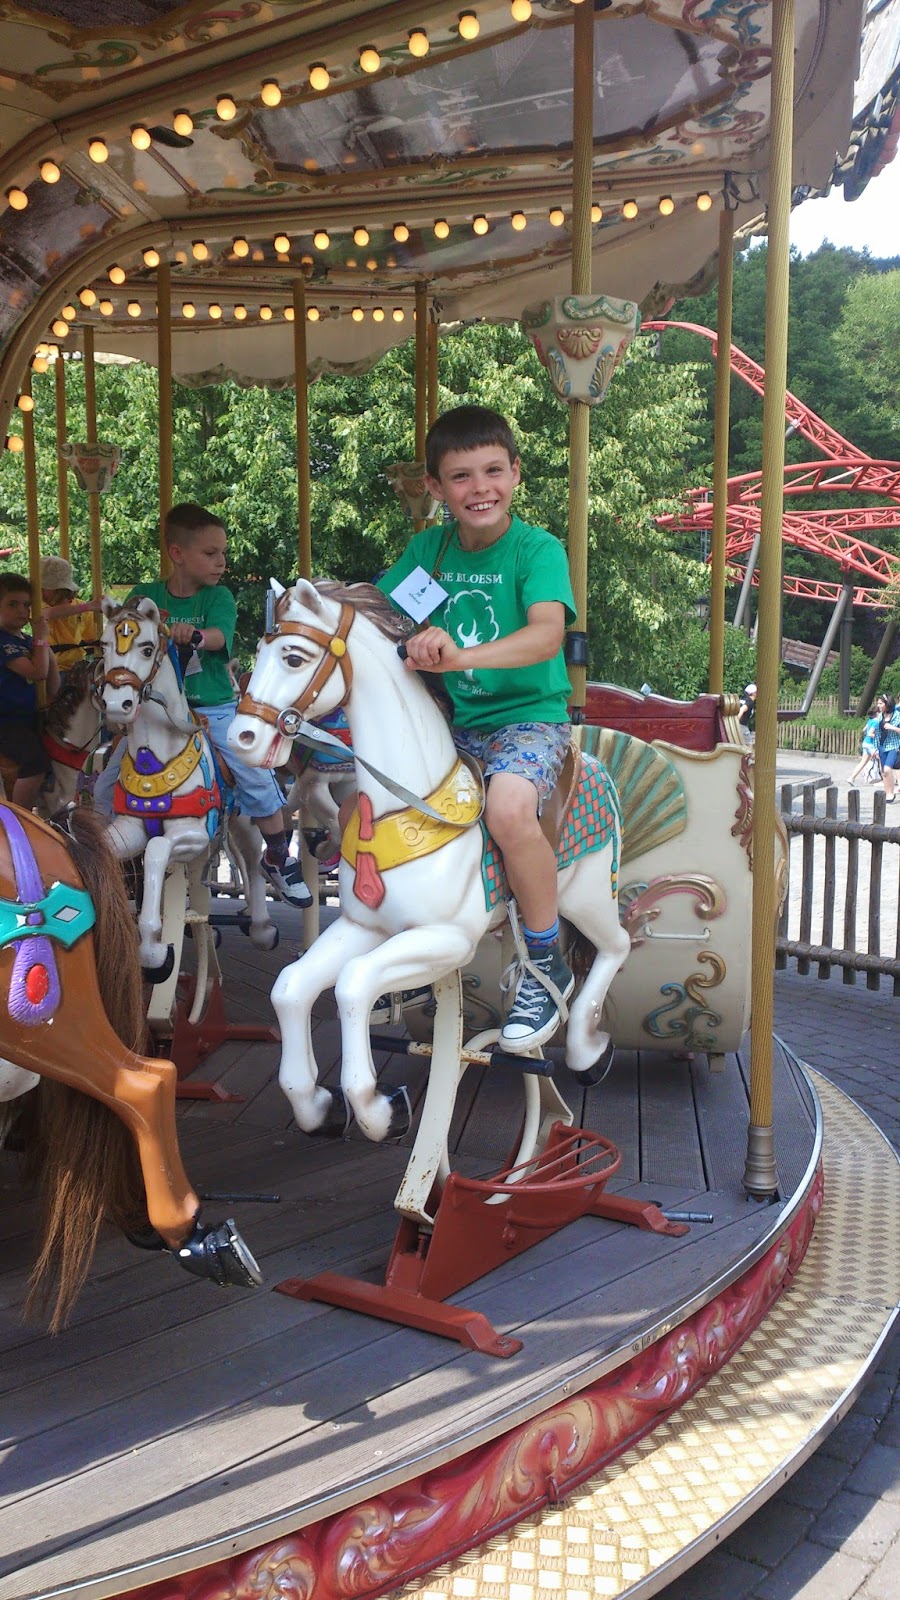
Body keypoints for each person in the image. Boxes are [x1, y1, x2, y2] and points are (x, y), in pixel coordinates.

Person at [377, 403, 576, 1053]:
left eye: (493, 471)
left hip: (528, 718)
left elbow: (546, 635)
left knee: (509, 808)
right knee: (378, 801)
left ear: (516, 473)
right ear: (436, 488)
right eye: (461, 476)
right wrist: (409, 641)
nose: (480, 488)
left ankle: (545, 960)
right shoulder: (429, 551)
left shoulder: (536, 550)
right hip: (456, 722)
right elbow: (384, 616)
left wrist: (461, 656)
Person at [93, 503, 311, 907]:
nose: (221, 562)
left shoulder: (218, 597)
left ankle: (279, 856)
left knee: (253, 771)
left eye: (223, 553)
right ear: (177, 553)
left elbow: (218, 637)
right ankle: (103, 860)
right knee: (107, 782)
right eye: (211, 553)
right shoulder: (148, 596)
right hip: (157, 714)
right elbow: (129, 632)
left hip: (212, 708)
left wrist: (193, 635)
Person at [0, 571, 60, 809]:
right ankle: (20, 817)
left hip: (31, 717)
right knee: (35, 763)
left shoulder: (26, 640)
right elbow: (37, 672)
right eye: (12, 604)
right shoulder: (3, 642)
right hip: (6, 721)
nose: (22, 611)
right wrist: (42, 640)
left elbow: (53, 685)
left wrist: (47, 650)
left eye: (26, 605)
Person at [39, 555, 102, 674]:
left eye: (44, 588)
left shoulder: (81, 608)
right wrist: (88, 607)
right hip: (52, 666)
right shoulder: (38, 605)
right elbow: (48, 613)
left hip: (78, 666)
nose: (40, 592)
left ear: (58, 590)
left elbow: (90, 639)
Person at [875, 692, 900, 803]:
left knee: (887, 769)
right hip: (882, 747)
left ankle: (892, 792)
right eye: (878, 703)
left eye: (881, 703)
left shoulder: (897, 715)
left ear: (887, 703)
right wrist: (875, 749)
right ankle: (888, 793)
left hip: (894, 746)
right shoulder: (880, 716)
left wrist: (893, 727)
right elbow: (877, 734)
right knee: (884, 772)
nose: (878, 705)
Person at [848, 708, 883, 786]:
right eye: (880, 712)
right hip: (871, 745)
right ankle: (882, 780)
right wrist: (878, 736)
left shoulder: (870, 720)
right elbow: (870, 733)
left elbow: (864, 729)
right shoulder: (876, 722)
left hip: (865, 743)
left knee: (863, 762)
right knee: (882, 760)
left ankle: (851, 778)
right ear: (877, 713)